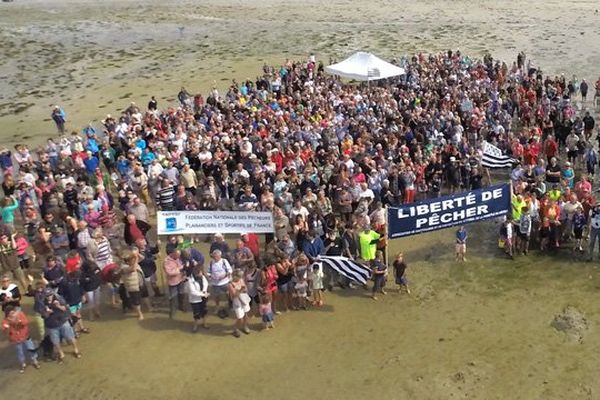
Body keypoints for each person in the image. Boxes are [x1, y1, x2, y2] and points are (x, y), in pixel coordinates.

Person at [40, 289, 81, 362]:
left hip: (63, 322)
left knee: (71, 337)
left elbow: (65, 309)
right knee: (55, 341)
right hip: (52, 325)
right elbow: (43, 316)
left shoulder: (59, 298)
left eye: (50, 295)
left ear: (52, 294)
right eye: (47, 296)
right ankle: (61, 353)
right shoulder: (43, 303)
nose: (49, 297)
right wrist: (48, 313)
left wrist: (58, 306)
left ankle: (76, 349)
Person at [1, 306, 40, 373]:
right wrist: (8, 326)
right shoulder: (5, 321)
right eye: (10, 313)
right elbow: (4, 330)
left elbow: (26, 322)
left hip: (25, 336)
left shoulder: (20, 314)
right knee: (20, 352)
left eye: (13, 312)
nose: (12, 314)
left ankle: (35, 361)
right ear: (7, 314)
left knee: (31, 348)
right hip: (16, 340)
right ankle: (23, 364)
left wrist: (19, 321)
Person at [207, 249, 232, 315]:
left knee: (228, 294)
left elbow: (230, 270)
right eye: (214, 256)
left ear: (220, 256)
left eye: (217, 256)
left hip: (225, 282)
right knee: (216, 296)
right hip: (215, 283)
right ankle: (217, 306)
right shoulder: (211, 262)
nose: (215, 258)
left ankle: (230, 304)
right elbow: (208, 272)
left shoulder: (224, 261)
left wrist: (224, 275)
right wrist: (211, 277)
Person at [185, 265, 209, 332]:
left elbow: (206, 284)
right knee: (196, 313)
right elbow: (193, 292)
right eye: (200, 273)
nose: (202, 274)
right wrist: (203, 294)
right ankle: (195, 325)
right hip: (195, 300)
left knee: (204, 310)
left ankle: (204, 323)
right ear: (196, 273)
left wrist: (204, 291)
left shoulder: (202, 277)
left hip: (203, 297)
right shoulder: (190, 280)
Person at [163, 248, 186, 319]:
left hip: (181, 279)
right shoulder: (166, 261)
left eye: (179, 255)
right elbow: (169, 272)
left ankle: (181, 306)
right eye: (177, 256)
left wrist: (184, 274)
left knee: (182, 294)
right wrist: (180, 269)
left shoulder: (180, 258)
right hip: (173, 282)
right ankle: (172, 311)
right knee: (173, 297)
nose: (178, 257)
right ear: (173, 254)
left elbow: (184, 266)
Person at [228, 270, 251, 338]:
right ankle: (235, 329)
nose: (240, 277)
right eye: (239, 276)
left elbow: (246, 289)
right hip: (237, 302)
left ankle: (245, 326)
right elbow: (234, 295)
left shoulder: (241, 280)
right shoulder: (230, 284)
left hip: (244, 299)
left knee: (246, 314)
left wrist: (242, 290)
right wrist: (241, 289)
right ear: (235, 276)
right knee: (240, 318)